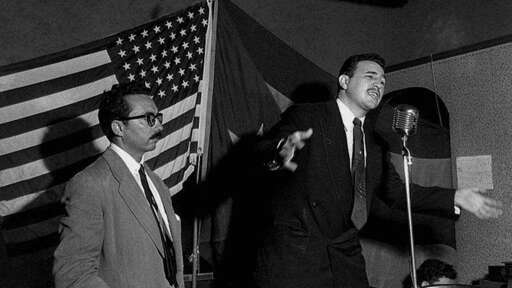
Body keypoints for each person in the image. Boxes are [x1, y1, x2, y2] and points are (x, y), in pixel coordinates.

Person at [252, 53, 503, 288]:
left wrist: (455, 196)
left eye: (383, 81)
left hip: (344, 253)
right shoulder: (310, 114)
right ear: (344, 80)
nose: (378, 85)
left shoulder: (374, 143)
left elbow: (396, 192)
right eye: (370, 76)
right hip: (297, 252)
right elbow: (265, 148)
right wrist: (279, 151)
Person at [53, 83, 184, 288]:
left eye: (158, 118)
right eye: (149, 119)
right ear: (119, 127)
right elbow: (73, 275)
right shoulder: (90, 183)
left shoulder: (155, 183)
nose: (160, 127)